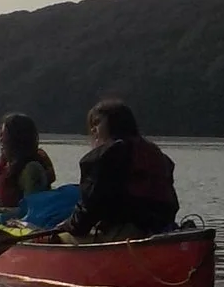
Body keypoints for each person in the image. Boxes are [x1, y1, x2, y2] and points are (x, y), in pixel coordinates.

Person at [71, 97, 179, 239]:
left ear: (115, 124)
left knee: (61, 238)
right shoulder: (159, 156)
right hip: (160, 229)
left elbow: (88, 213)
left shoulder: (102, 157)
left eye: (97, 123)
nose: (93, 130)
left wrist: (69, 225)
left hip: (125, 234)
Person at [0, 112, 56, 212]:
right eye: (0, 134)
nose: (0, 139)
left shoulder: (31, 169)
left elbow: (31, 210)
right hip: (6, 211)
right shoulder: (5, 162)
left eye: (4, 135)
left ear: (17, 137)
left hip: (28, 220)